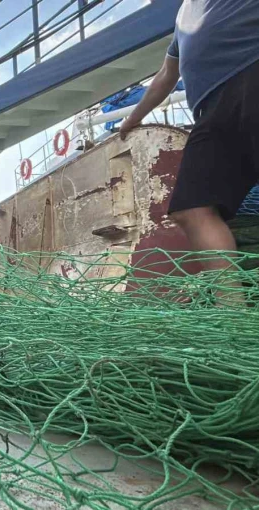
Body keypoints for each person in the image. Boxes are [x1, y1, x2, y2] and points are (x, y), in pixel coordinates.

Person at [119, 0, 259, 305]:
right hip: (211, 111)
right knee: (192, 208)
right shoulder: (183, 15)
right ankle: (233, 315)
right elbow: (165, 76)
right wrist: (133, 118)